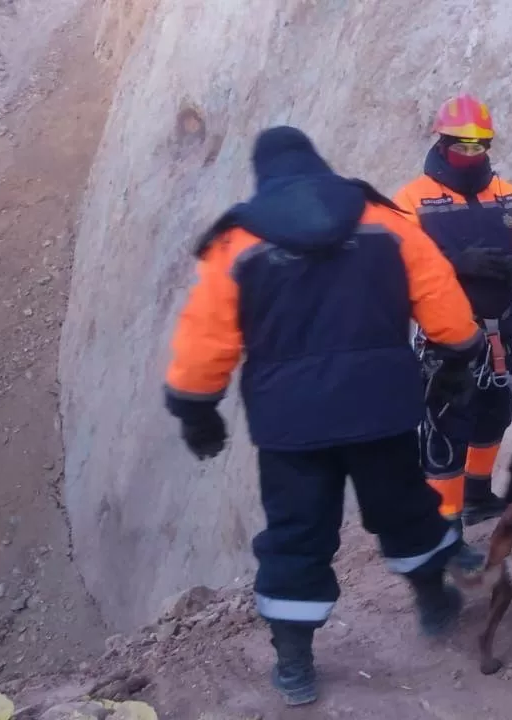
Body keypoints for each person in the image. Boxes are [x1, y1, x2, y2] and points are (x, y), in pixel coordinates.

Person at [163, 126, 485, 707]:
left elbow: (206, 338)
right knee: (404, 507)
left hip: (291, 427)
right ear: (319, 163)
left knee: (297, 534)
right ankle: (434, 601)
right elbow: (441, 297)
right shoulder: (380, 219)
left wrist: (195, 407)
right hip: (381, 409)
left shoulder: (237, 242)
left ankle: (294, 663)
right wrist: (460, 354)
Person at [392, 93, 512, 548]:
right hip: (445, 341)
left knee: (493, 418)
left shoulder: (505, 195)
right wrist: (454, 263)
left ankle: (478, 496)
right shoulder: (412, 199)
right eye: (462, 144)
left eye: (479, 144)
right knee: (445, 434)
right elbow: (397, 263)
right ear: (442, 142)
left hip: (499, 332)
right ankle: (445, 529)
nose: (471, 152)